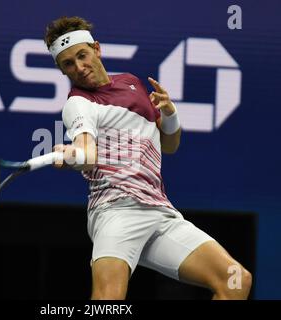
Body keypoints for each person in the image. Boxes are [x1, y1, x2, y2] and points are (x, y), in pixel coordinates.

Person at [44, 16, 252, 300]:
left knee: (235, 281)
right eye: (68, 64)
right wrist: (72, 155)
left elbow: (169, 144)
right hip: (116, 211)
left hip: (160, 212)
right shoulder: (78, 103)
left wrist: (170, 114)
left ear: (97, 49)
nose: (79, 68)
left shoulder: (131, 83)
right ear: (61, 69)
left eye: (82, 55)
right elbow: (88, 154)